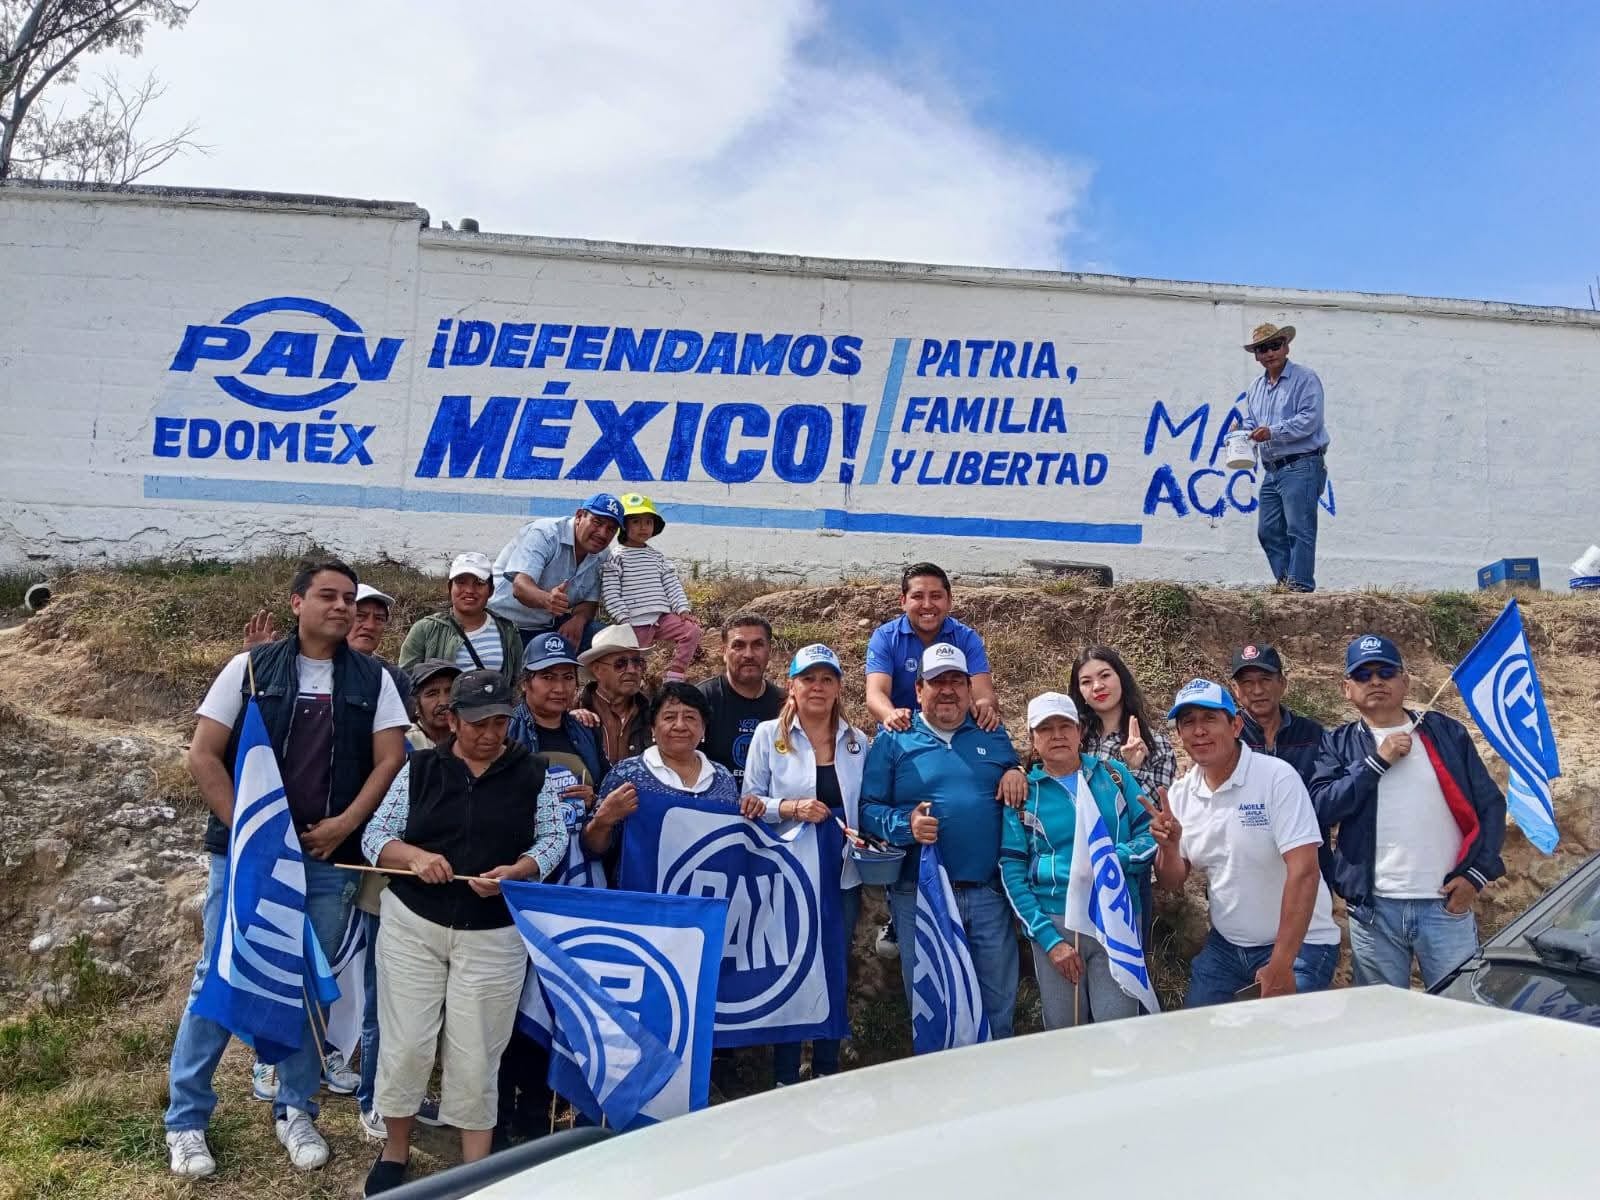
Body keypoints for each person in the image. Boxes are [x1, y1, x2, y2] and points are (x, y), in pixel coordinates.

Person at [165, 558, 409, 1179]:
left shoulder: (375, 679)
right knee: (219, 973)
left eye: (350, 598)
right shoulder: (248, 668)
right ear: (296, 603)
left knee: (308, 983)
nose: (343, 607)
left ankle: (294, 1109)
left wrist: (345, 824)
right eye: (328, 595)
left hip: (328, 859)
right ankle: (187, 1120)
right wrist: (256, 839)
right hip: (246, 858)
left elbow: (388, 761)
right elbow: (203, 756)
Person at [361, 669, 568, 1195]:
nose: (489, 733)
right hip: (414, 923)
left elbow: (552, 839)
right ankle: (395, 1148)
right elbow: (376, 836)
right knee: (407, 1042)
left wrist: (518, 871)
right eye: (477, 722)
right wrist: (415, 856)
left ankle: (476, 1169)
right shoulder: (420, 769)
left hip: (493, 932)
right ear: (451, 720)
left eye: (499, 721)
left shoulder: (532, 773)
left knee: (478, 1050)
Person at [1309, 634, 1506, 989]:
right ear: (1347, 689)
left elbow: (1490, 806)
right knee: (1383, 1023)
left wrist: (1476, 875)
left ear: (1405, 681)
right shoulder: (1337, 743)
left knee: (1458, 1014)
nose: (1375, 681)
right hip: (1374, 912)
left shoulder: (1447, 733)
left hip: (1445, 907)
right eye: (1363, 675)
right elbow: (1321, 807)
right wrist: (1375, 762)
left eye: (1386, 671)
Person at [859, 644, 1027, 1038]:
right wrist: (905, 825)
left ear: (970, 690)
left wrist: (1017, 770)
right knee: (932, 1005)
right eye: (938, 682)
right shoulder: (893, 739)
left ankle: (992, 1090)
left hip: (988, 894)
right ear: (919, 690)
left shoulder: (991, 732)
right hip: (920, 896)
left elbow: (1015, 768)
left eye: (956, 682)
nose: (948, 690)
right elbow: (867, 809)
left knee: (997, 1004)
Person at [1151, 679, 1340, 1006]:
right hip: (1227, 947)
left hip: (1301, 944)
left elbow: (1305, 872)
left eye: (1210, 719)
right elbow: (1172, 880)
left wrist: (1281, 963)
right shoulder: (1181, 794)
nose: (1199, 731)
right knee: (1201, 1038)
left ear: (1236, 724)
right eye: (1188, 722)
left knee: (1284, 1041)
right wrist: (1168, 846)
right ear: (1179, 736)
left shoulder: (1276, 778)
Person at [742, 644, 868, 1085]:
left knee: (834, 961)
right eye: (808, 678)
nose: (818, 687)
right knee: (792, 963)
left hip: (841, 869)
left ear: (838, 687)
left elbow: (863, 805)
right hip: (788, 871)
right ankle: (785, 1072)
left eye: (827, 679)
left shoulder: (857, 741)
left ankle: (828, 1067)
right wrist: (792, 807)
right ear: (791, 686)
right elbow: (749, 801)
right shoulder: (767, 735)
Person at [499, 633, 606, 1145]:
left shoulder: (584, 733)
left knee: (555, 992)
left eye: (568, 677)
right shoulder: (507, 733)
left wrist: (593, 797)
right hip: (521, 884)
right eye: (548, 677)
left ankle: (538, 1111)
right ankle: (500, 1110)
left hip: (572, 884)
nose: (560, 688)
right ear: (526, 684)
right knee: (512, 999)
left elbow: (600, 794)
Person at [1000, 692, 1154, 1029]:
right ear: (1032, 739)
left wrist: (1115, 860)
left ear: (1080, 731)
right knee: (1065, 1035)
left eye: (1065, 726)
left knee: (1120, 1028)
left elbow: (1149, 833)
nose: (1057, 735)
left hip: (1117, 915)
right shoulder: (1023, 793)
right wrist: (1049, 941)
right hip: (1057, 924)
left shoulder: (1113, 775)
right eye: (1046, 729)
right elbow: (1012, 873)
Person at [1069, 646, 1175, 948]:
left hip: (1127, 872)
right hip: (1075, 866)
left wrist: (1131, 771)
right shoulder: (1072, 740)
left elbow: (1152, 817)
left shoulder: (1158, 745)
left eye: (1105, 676)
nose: (1098, 686)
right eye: (1086, 681)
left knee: (1127, 967)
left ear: (1121, 678)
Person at [585, 682, 741, 859]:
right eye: (669, 717)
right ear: (652, 728)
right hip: (638, 886)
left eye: (690, 717)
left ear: (703, 728)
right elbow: (593, 850)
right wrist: (603, 821)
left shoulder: (723, 778)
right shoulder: (626, 775)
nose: (680, 726)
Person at [1242, 322, 1330, 593]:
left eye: (1274, 345)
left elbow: (1310, 420)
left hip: (1302, 463)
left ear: (1286, 346)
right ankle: (1286, 586)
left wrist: (1272, 432)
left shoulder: (1305, 378)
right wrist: (1242, 432)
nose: (1269, 353)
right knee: (1268, 531)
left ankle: (1300, 587)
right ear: (1256, 355)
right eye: (1262, 348)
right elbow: (1252, 422)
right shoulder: (1256, 387)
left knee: (1298, 529)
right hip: (1272, 469)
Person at [864, 562, 1000, 732]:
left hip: (954, 733)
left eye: (936, 596)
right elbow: (876, 694)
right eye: (918, 596)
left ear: (949, 601)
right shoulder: (885, 637)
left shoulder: (966, 638)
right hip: (903, 733)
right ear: (903, 601)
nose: (927, 605)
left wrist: (984, 707)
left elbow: (984, 694)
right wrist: (891, 715)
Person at [487, 493, 624, 649]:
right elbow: (520, 587)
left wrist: (578, 620)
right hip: (504, 624)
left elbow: (589, 602)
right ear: (579, 516)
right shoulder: (546, 533)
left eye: (611, 529)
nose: (602, 533)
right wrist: (547, 600)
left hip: (548, 627)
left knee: (607, 641)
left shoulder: (602, 554)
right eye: (597, 522)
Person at [601, 493, 701, 681]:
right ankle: (633, 692)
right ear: (623, 525)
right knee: (633, 664)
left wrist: (682, 609)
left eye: (648, 522)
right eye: (636, 521)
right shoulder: (616, 557)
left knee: (692, 630)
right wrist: (623, 618)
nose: (643, 527)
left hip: (661, 618)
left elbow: (672, 585)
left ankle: (675, 675)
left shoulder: (657, 557)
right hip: (634, 622)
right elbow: (611, 592)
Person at [399, 551, 524, 679]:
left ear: (491, 590)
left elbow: (517, 681)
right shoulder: (425, 630)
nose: (469, 590)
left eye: (479, 582)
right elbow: (405, 682)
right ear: (450, 588)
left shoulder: (508, 630)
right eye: (461, 582)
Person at [697, 614, 784, 791]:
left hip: (771, 811)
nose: (748, 654)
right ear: (724, 652)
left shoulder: (786, 705)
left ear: (770, 651)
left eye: (758, 645)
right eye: (738, 645)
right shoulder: (700, 699)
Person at [1228, 643, 1325, 786]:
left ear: (1282, 683)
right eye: (1247, 682)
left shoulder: (1312, 734)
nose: (1258, 691)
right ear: (1236, 690)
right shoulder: (1225, 735)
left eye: (1265, 680)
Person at [576, 625, 653, 766]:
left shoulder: (652, 713)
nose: (632, 670)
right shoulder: (573, 712)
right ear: (597, 670)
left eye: (637, 662)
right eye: (620, 663)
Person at [405, 659, 461, 750]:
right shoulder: (404, 741)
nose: (444, 702)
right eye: (432, 694)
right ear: (416, 703)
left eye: (450, 692)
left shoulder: (472, 737)